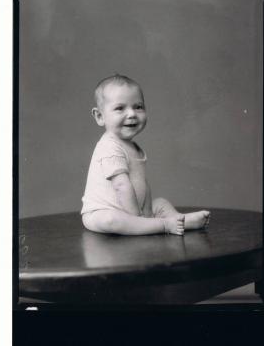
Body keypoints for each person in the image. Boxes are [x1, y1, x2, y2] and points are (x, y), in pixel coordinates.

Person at [81, 74, 211, 236]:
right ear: (100, 116)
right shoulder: (109, 147)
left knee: (160, 203)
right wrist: (138, 218)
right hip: (101, 212)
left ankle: (179, 219)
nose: (132, 114)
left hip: (134, 207)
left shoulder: (133, 147)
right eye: (120, 108)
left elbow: (142, 182)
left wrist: (147, 211)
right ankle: (164, 225)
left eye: (138, 107)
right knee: (111, 219)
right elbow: (122, 186)